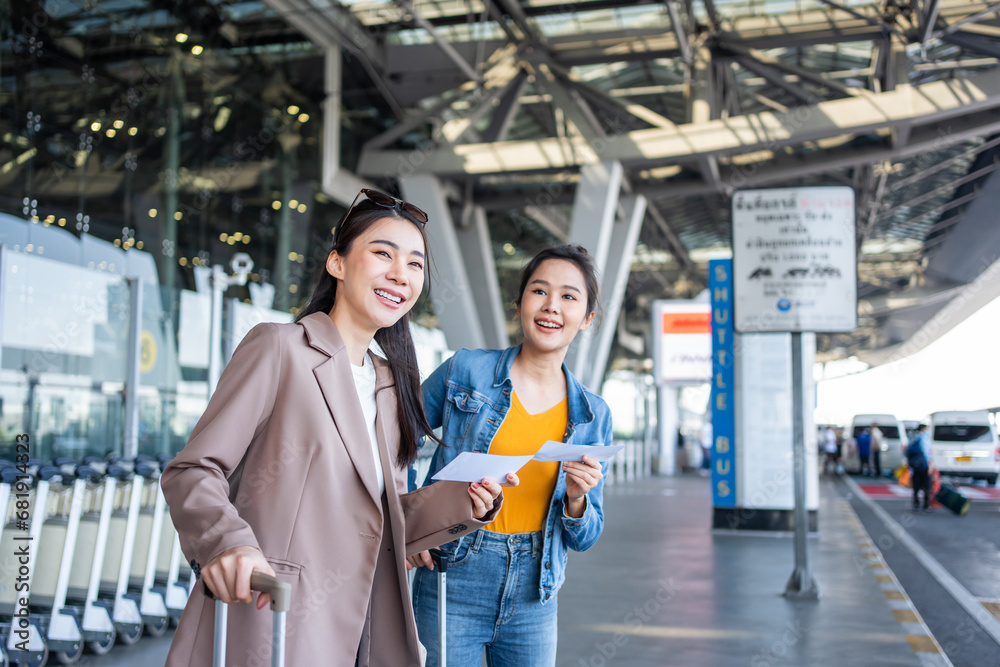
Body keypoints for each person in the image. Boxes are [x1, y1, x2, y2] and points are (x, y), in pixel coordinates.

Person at [160, 188, 512, 666]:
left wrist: (462, 498)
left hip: (364, 626)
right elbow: (193, 471)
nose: (399, 274)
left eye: (415, 264)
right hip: (278, 617)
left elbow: (374, 522)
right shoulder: (280, 349)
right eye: (382, 254)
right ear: (337, 264)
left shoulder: (390, 383)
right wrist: (227, 543)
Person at [408, 244, 613, 666]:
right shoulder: (466, 371)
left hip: (535, 591)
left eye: (569, 297)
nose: (551, 306)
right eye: (539, 291)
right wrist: (409, 525)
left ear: (587, 319)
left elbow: (587, 535)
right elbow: (393, 437)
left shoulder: (593, 414)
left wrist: (577, 498)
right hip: (453, 572)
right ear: (520, 302)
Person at [906, 423, 933, 512]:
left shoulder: (912, 437)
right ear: (924, 429)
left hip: (915, 465)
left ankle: (915, 502)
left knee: (916, 484)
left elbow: (906, 451)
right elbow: (926, 453)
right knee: (927, 485)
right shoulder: (924, 438)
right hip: (924, 464)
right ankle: (926, 505)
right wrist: (929, 465)